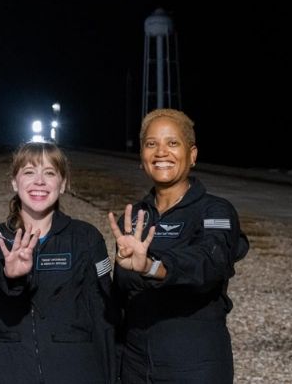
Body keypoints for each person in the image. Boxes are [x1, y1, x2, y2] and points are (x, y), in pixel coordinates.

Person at [108, 108, 249, 383]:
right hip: (136, 366)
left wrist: (152, 266)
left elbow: (209, 263)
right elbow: (119, 302)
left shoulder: (215, 211)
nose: (161, 152)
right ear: (142, 157)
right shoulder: (135, 217)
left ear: (192, 155)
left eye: (173, 143)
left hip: (194, 365)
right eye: (151, 144)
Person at [0, 142, 117, 384]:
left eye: (50, 173)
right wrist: (11, 275)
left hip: (78, 372)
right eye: (29, 172)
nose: (39, 181)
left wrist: (113, 376)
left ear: (63, 184)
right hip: (14, 371)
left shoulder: (85, 237)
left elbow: (104, 316)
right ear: (14, 182)